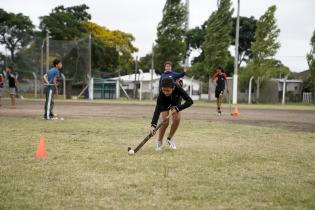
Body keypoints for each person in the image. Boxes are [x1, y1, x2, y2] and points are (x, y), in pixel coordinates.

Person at [150, 77, 193, 151]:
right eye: (163, 90)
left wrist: (178, 108)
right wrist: (153, 125)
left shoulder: (178, 88)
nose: (165, 92)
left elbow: (190, 101)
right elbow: (157, 110)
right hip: (165, 103)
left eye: (168, 90)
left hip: (176, 103)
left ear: (173, 88)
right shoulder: (161, 95)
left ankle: (169, 139)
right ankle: (159, 142)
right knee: (165, 122)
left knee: (177, 119)